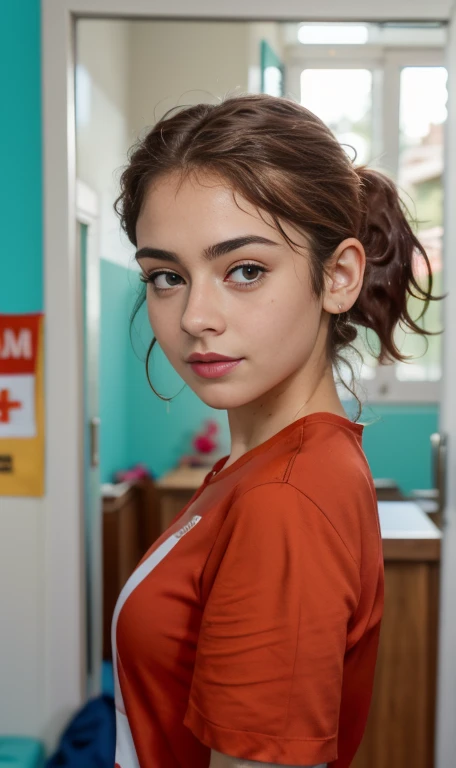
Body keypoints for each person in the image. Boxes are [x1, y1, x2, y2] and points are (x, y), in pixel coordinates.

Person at [112, 94, 438, 768]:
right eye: (166, 276)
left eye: (246, 270)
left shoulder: (283, 500)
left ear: (338, 276)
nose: (196, 315)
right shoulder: (272, 465)